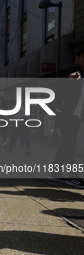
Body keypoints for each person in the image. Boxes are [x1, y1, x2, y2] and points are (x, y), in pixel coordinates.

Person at [49, 46, 84, 188]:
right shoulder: (74, 71)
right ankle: (72, 176)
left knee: (67, 143)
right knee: (70, 144)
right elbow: (73, 77)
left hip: (74, 115)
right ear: (77, 57)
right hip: (65, 113)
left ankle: (55, 173)